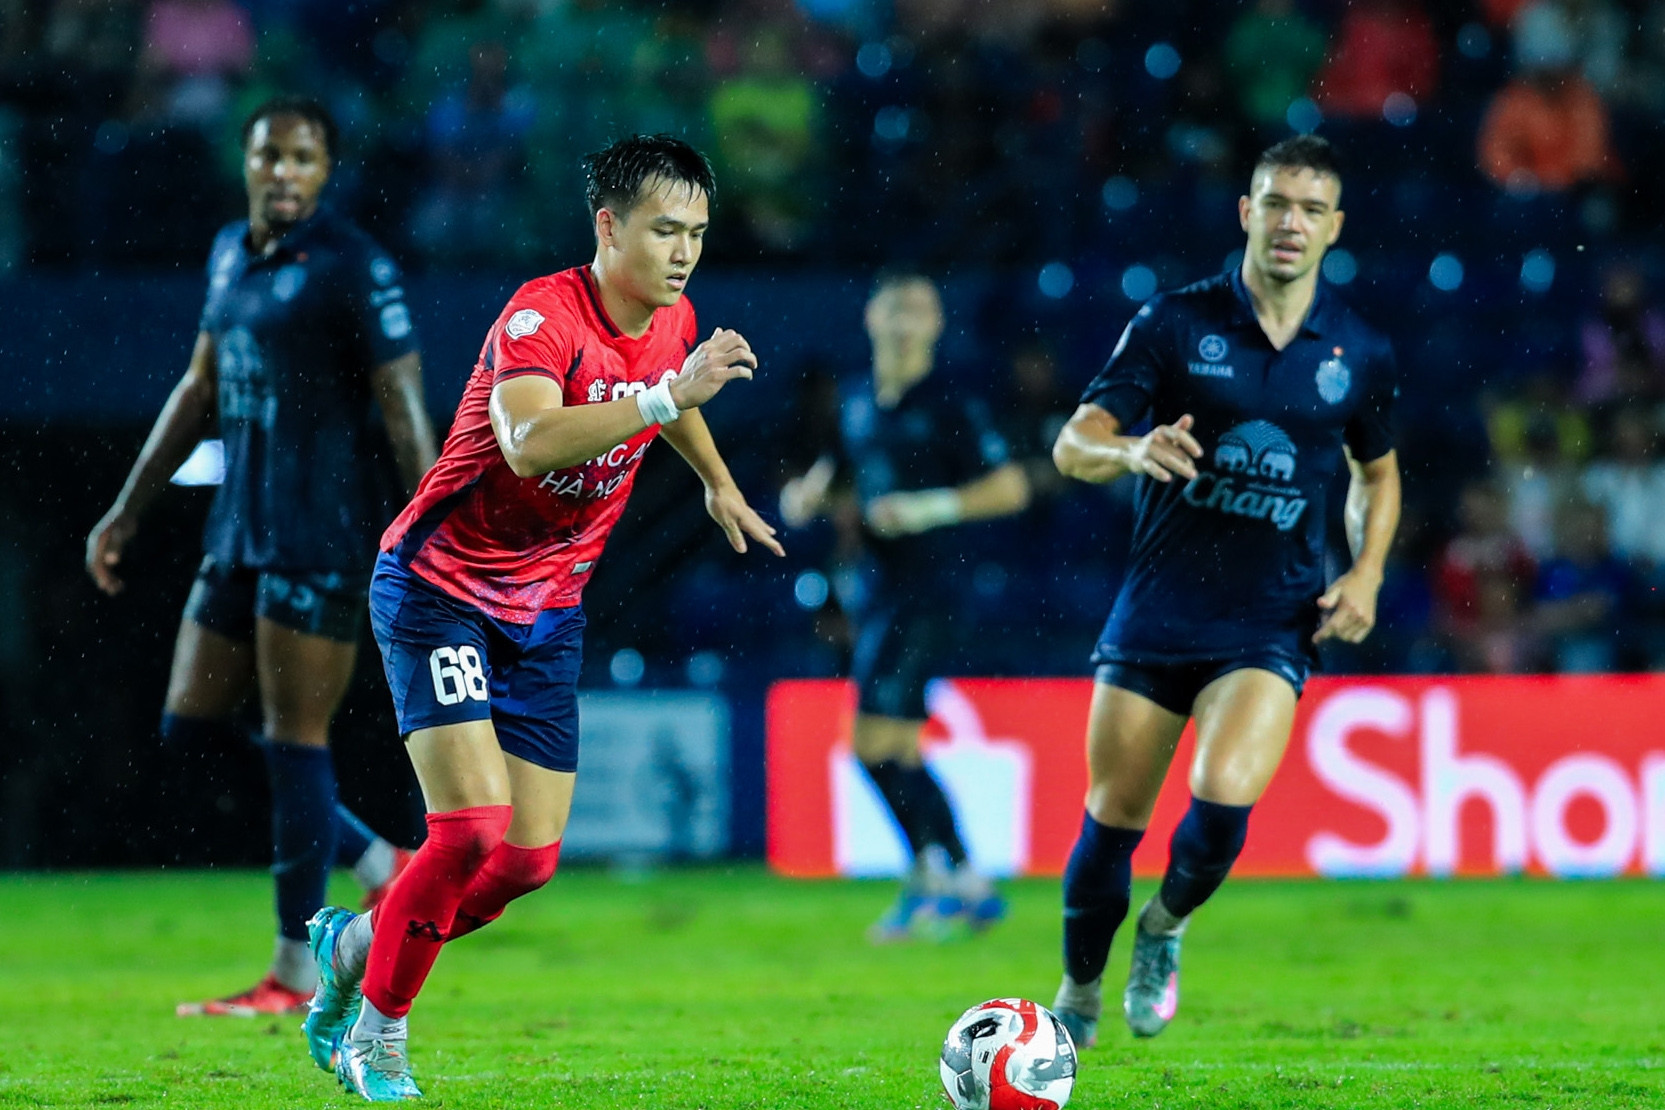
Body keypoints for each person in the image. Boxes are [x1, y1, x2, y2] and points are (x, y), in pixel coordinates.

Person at [302, 134, 782, 1101]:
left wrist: (718, 485)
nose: (683, 250)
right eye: (662, 230)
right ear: (607, 226)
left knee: (524, 862)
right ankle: (378, 1036)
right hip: (439, 590)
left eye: (694, 231)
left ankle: (355, 943)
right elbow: (526, 442)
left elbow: (668, 391)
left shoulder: (669, 316)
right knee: (471, 827)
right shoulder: (541, 314)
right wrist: (662, 397)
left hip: (546, 611)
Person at [84, 97, 438, 1018]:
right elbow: (199, 384)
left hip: (317, 535)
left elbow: (403, 408)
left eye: (303, 158)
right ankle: (378, 862)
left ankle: (292, 972)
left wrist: (436, 530)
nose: (283, 171)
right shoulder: (229, 253)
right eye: (269, 154)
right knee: (191, 728)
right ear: (246, 162)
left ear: (327, 172)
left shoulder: (354, 267)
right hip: (236, 531)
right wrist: (126, 509)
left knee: (293, 740)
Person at [1047, 135, 1401, 1046]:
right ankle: (1078, 991)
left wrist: (1363, 572)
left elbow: (1378, 474)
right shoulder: (1172, 323)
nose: (1290, 223)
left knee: (1220, 801)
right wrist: (1130, 449)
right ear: (1247, 212)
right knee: (1111, 822)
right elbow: (1070, 443)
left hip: (1270, 622)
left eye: (1310, 209)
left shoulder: (1357, 350)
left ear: (1334, 228)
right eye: (1275, 203)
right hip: (1157, 613)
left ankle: (1163, 929)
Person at [780, 272, 1030, 942]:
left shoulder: (951, 401)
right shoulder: (858, 400)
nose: (905, 320)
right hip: (876, 589)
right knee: (896, 748)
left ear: (937, 324)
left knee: (871, 742)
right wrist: (807, 494)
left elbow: (1010, 486)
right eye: (895, 307)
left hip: (930, 591)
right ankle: (956, 879)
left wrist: (929, 507)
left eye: (919, 309)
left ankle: (940, 876)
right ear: (871, 317)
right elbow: (838, 468)